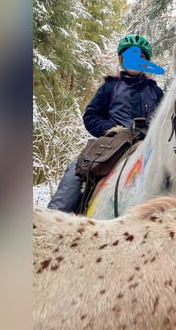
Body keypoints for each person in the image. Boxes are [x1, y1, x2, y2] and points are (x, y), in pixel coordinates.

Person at [47, 34, 164, 213]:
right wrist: (110, 129)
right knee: (77, 170)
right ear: (121, 59)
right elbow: (91, 116)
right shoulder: (109, 87)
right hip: (113, 142)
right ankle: (55, 216)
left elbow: (165, 121)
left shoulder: (156, 91)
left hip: (148, 142)